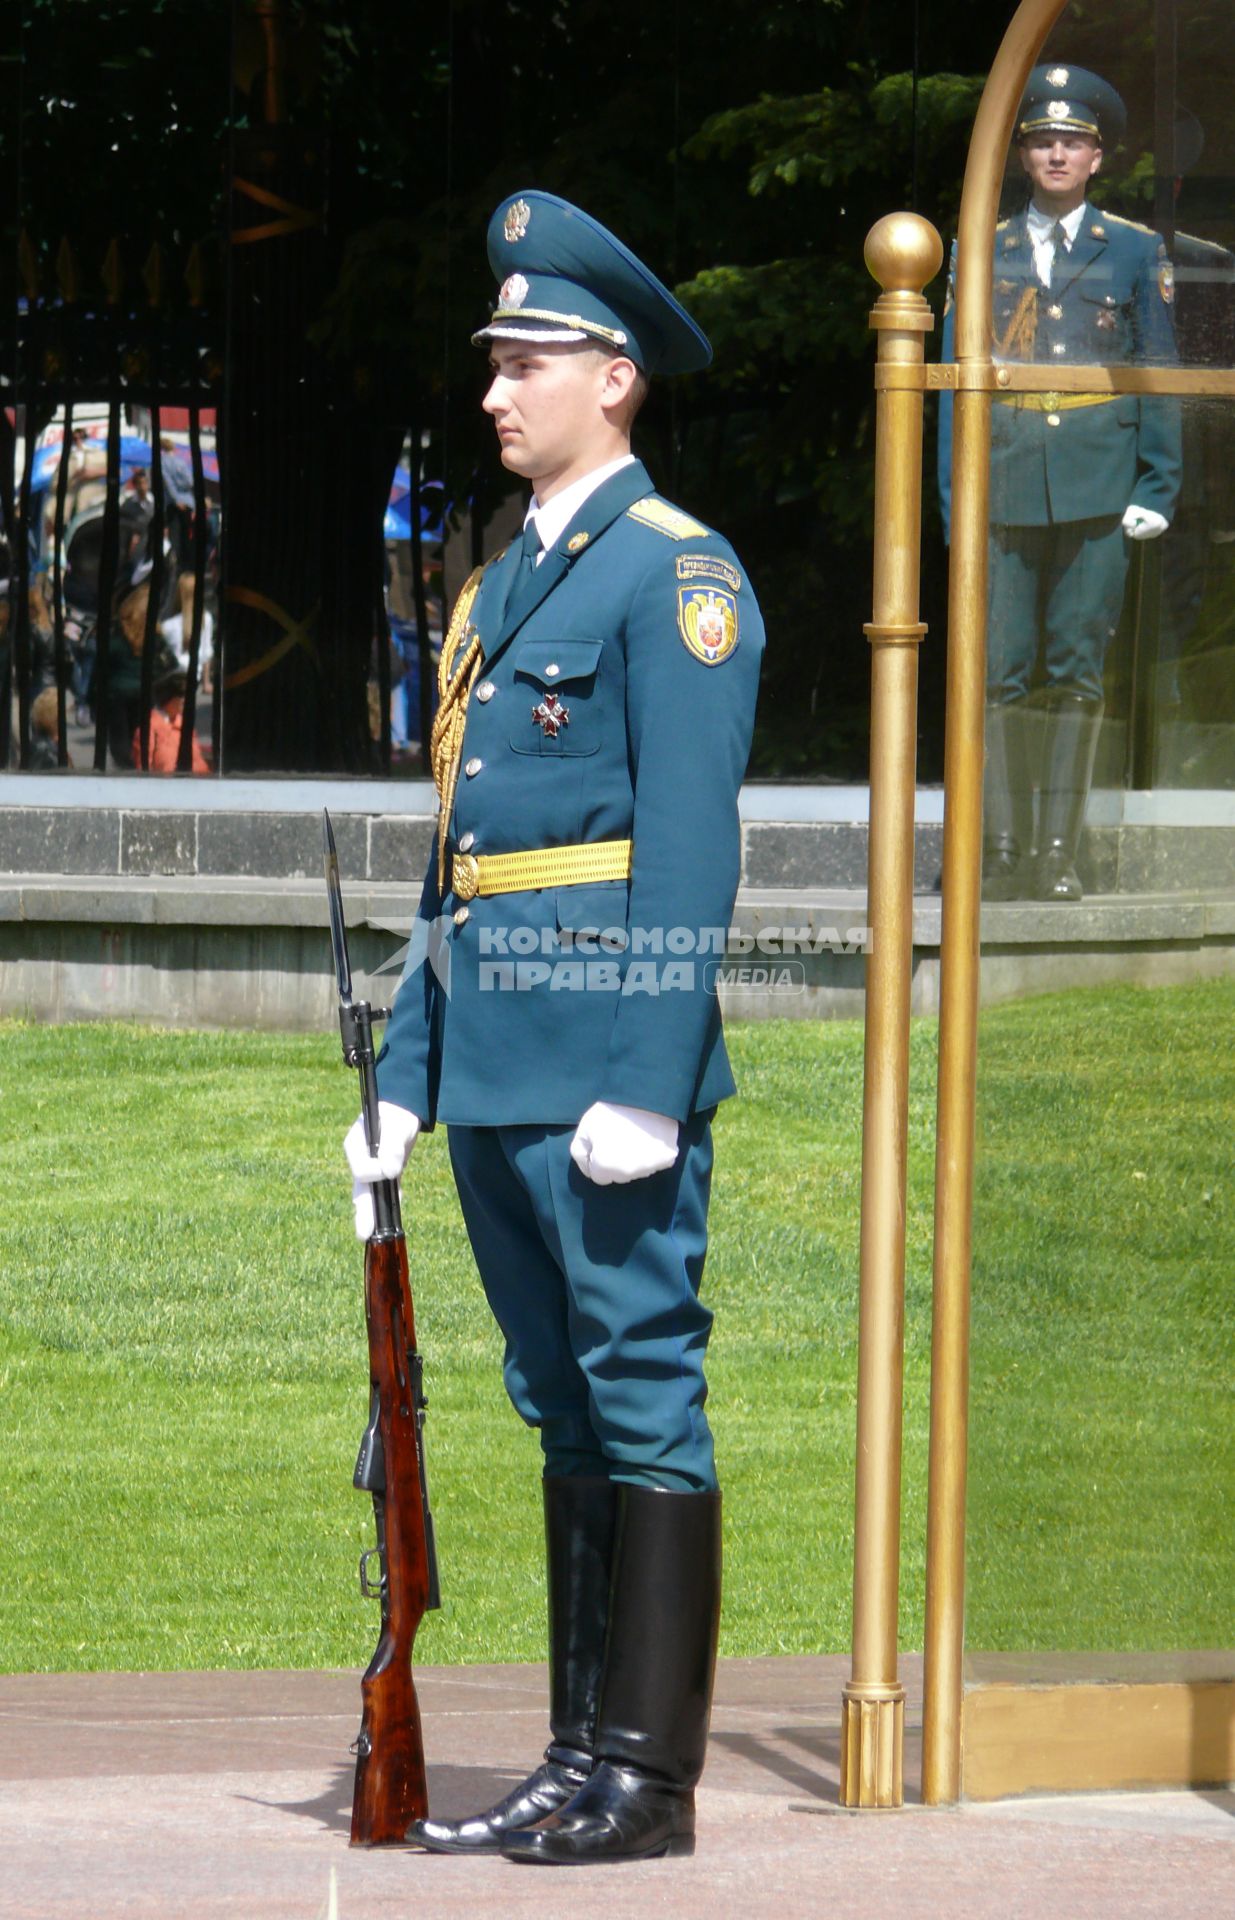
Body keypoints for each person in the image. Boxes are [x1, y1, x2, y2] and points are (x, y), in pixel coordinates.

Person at [345, 189, 764, 1865]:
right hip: (503, 1063)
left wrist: (651, 1083)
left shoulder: (678, 577)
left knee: (641, 1391)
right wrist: (405, 1074)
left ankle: (648, 1786)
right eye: (497, 362)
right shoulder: (503, 587)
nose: (497, 391)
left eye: (528, 362)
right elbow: (464, 861)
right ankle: (578, 1757)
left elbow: (691, 845)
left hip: (602, 1063)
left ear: (616, 376)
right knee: (558, 1404)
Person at [940, 65, 1182, 901]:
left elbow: (1157, 371)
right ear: (1021, 156)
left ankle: (1056, 855)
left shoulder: (1132, 249)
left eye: (1070, 142)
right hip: (1001, 484)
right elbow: (951, 381)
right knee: (997, 668)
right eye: (1041, 140)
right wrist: (950, 495)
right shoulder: (982, 247)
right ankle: (998, 850)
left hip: (1097, 486)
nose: (1055, 153)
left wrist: (1156, 486)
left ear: (1095, 158)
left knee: (1076, 670)